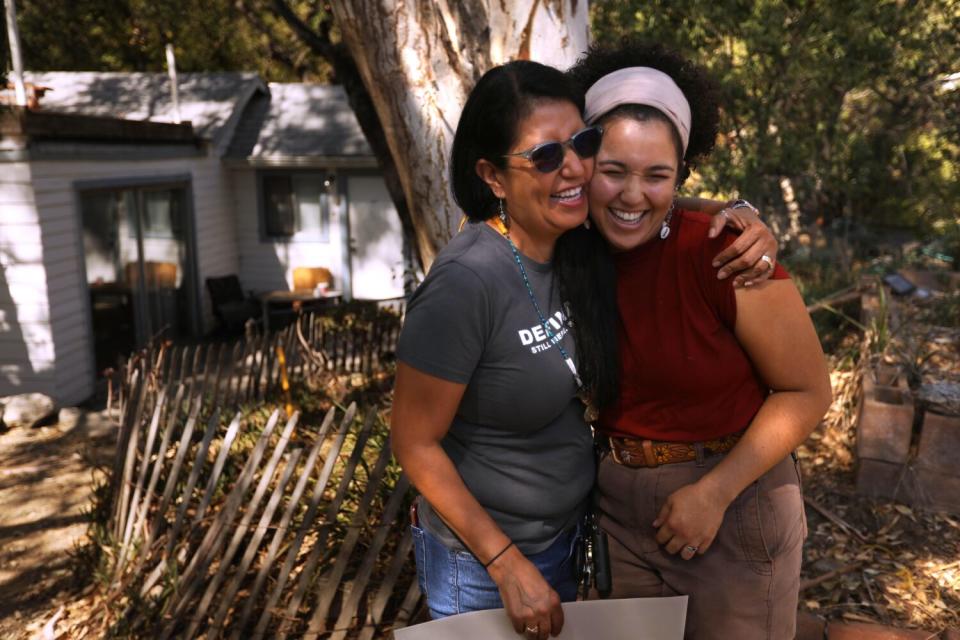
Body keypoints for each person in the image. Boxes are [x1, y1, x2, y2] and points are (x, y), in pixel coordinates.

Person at [390, 59, 778, 640]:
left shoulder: (571, 241)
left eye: (582, 142)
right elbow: (413, 443)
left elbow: (645, 200)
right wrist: (506, 565)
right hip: (485, 562)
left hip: (565, 540)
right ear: (494, 178)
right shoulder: (466, 283)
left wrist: (743, 216)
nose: (573, 168)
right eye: (545, 156)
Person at [559, 40, 833, 639]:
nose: (633, 195)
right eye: (613, 171)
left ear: (679, 175)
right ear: (584, 165)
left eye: (657, 175)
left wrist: (714, 493)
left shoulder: (725, 253)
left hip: (733, 502)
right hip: (619, 513)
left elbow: (807, 391)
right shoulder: (569, 249)